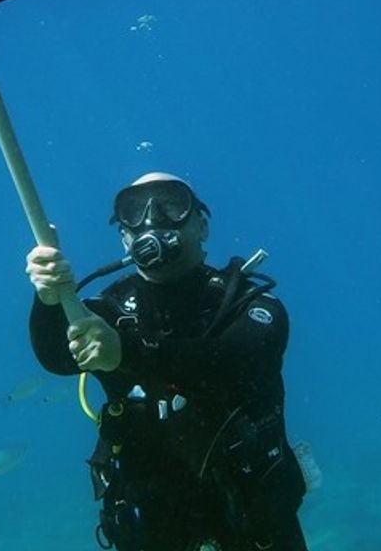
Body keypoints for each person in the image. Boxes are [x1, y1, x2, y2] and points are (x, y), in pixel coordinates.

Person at [26, 172, 308, 551]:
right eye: (133, 210)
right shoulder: (107, 311)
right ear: (123, 236)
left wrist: (126, 353)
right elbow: (57, 356)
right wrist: (47, 300)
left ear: (202, 226)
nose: (152, 219)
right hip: (153, 531)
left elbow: (230, 361)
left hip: (256, 528)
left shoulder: (250, 305)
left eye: (172, 205)